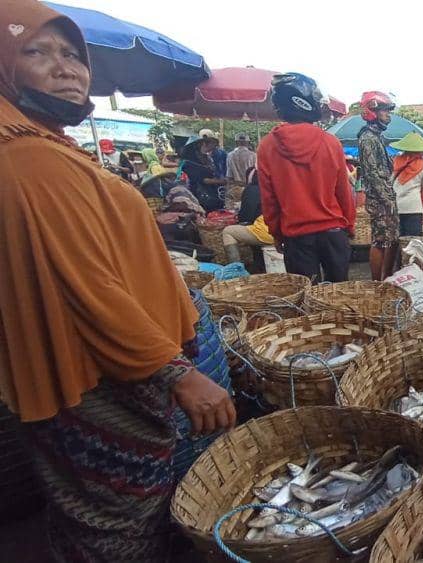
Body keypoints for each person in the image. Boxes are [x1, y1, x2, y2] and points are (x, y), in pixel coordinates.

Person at [0, 4, 235, 559]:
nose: (67, 69)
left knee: (96, 510)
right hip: (99, 379)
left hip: (96, 372)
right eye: (36, 52)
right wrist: (177, 373)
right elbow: (82, 286)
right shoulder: (27, 158)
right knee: (115, 523)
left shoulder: (44, 144)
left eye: (73, 55)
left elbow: (76, 238)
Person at [257, 73, 354, 283]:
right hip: (334, 231)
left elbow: (268, 198)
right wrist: (350, 224)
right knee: (338, 298)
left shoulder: (267, 146)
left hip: (296, 235)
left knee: (306, 303)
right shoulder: (331, 142)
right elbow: (343, 191)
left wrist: (276, 232)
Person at [357, 90, 399, 280]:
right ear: (373, 112)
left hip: (386, 197)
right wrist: (386, 198)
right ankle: (377, 282)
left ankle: (387, 278)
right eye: (384, 111)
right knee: (381, 241)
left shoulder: (376, 136)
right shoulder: (367, 138)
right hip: (380, 200)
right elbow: (372, 173)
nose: (388, 114)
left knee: (392, 240)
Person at [388, 132, 423, 237]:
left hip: (396, 207)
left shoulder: (396, 161)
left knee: (398, 241)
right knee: (413, 243)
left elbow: (390, 182)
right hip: (413, 208)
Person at [222, 168, 273, 264]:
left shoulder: (252, 189)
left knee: (228, 232)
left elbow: (245, 216)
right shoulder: (276, 187)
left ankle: (236, 270)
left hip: (269, 231)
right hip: (286, 231)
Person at [179, 134, 227, 211]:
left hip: (212, 194)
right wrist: (221, 181)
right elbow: (203, 180)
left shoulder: (207, 159)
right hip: (199, 196)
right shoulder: (188, 163)